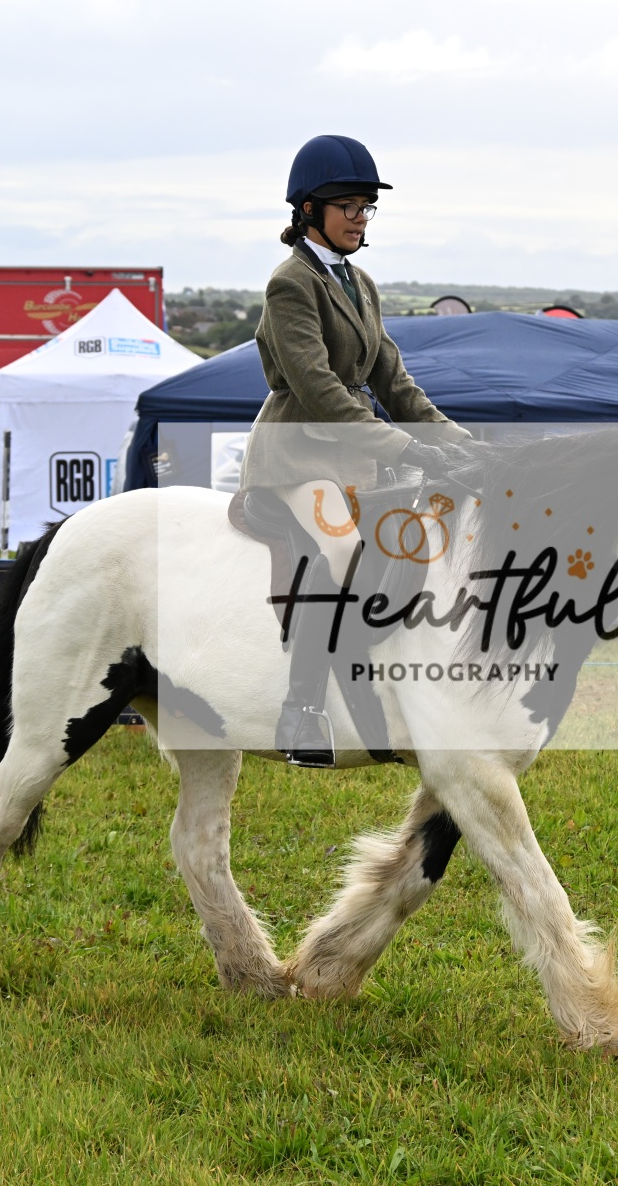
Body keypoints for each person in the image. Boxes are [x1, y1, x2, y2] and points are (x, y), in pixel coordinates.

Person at [244, 134, 469, 766]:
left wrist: (463, 445)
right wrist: (406, 448)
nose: (360, 217)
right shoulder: (290, 284)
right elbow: (319, 391)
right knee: (343, 548)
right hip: (298, 453)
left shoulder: (360, 282)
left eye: (367, 207)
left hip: (356, 455)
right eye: (348, 206)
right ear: (309, 210)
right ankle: (302, 711)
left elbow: (395, 383)